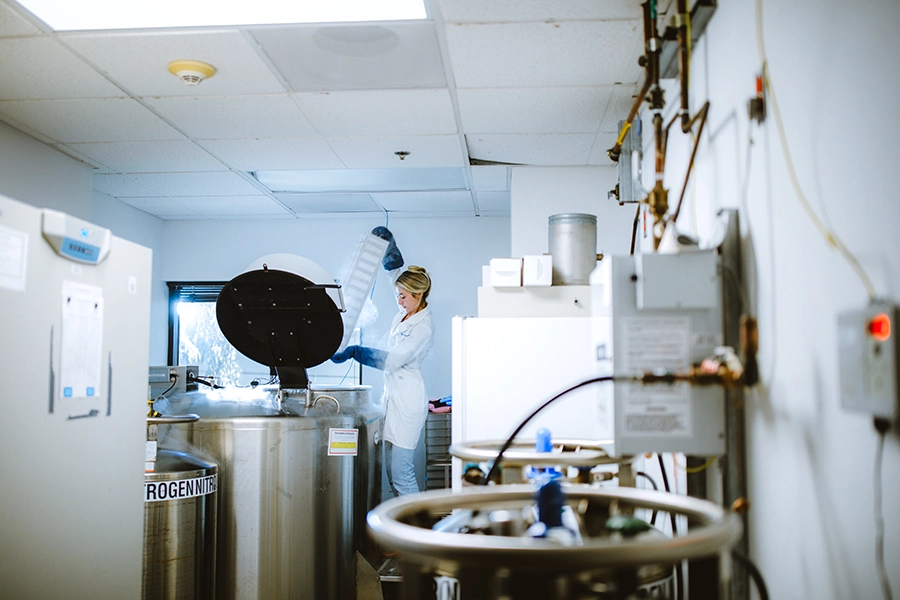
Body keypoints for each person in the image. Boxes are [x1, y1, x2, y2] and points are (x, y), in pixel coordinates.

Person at [331, 227, 434, 497]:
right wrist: (389, 248)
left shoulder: (423, 329)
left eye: (403, 296)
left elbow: (393, 361)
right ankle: (407, 528)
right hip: (395, 399)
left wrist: (355, 351)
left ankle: (415, 532)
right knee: (391, 471)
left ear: (419, 295)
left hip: (408, 403)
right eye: (398, 295)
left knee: (401, 473)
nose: (398, 301)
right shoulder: (409, 307)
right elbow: (395, 279)